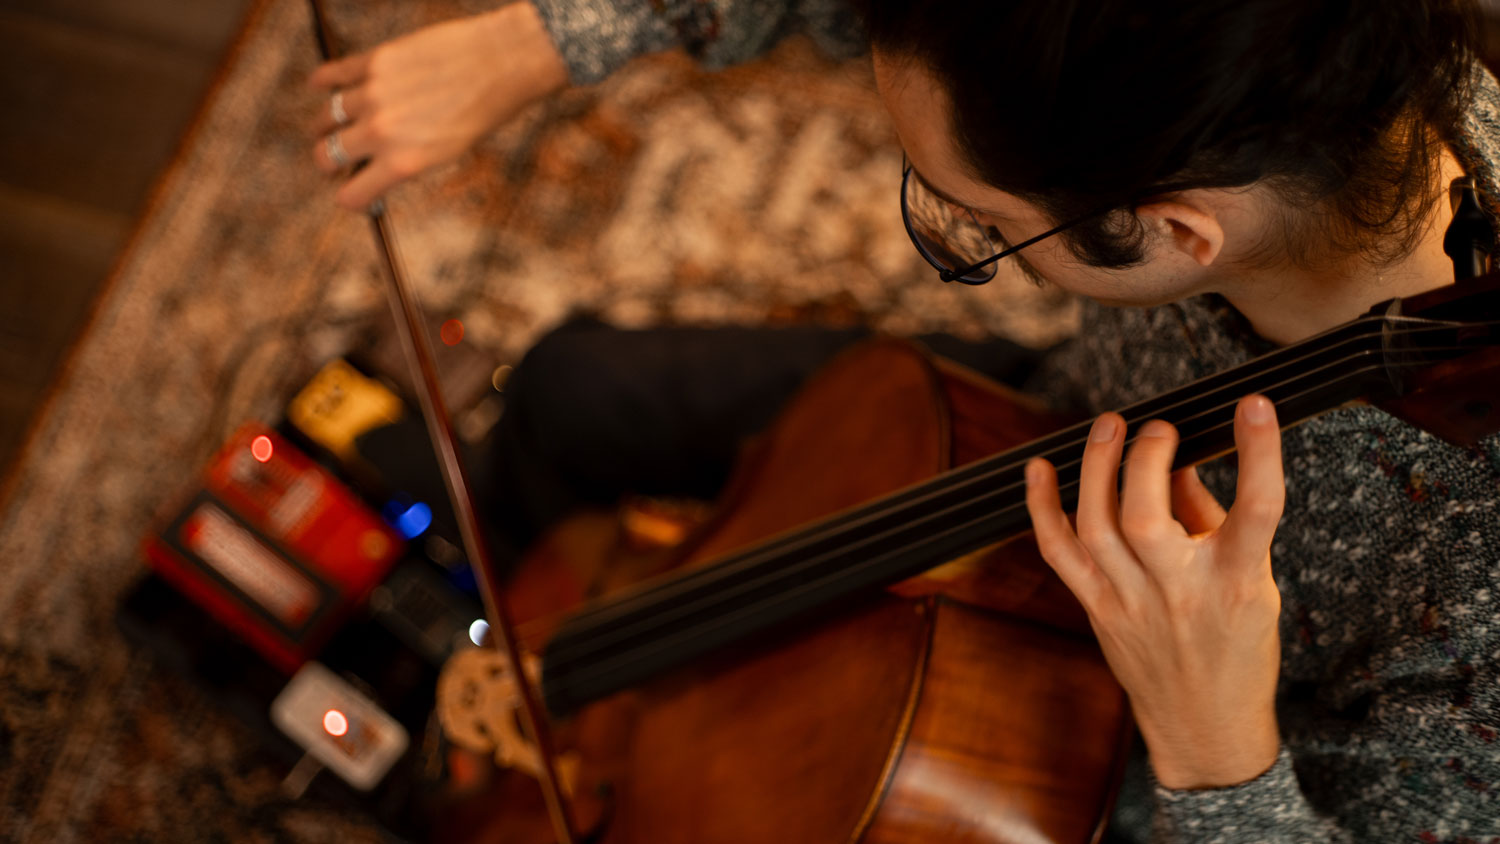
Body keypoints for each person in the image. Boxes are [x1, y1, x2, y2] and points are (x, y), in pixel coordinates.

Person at [308, 2, 1500, 841]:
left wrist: (1212, 744)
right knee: (570, 393)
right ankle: (473, 612)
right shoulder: (1316, 63)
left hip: (1143, 751)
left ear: (1177, 233)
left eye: (977, 221)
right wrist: (535, 40)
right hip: (1023, 435)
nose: (957, 229)